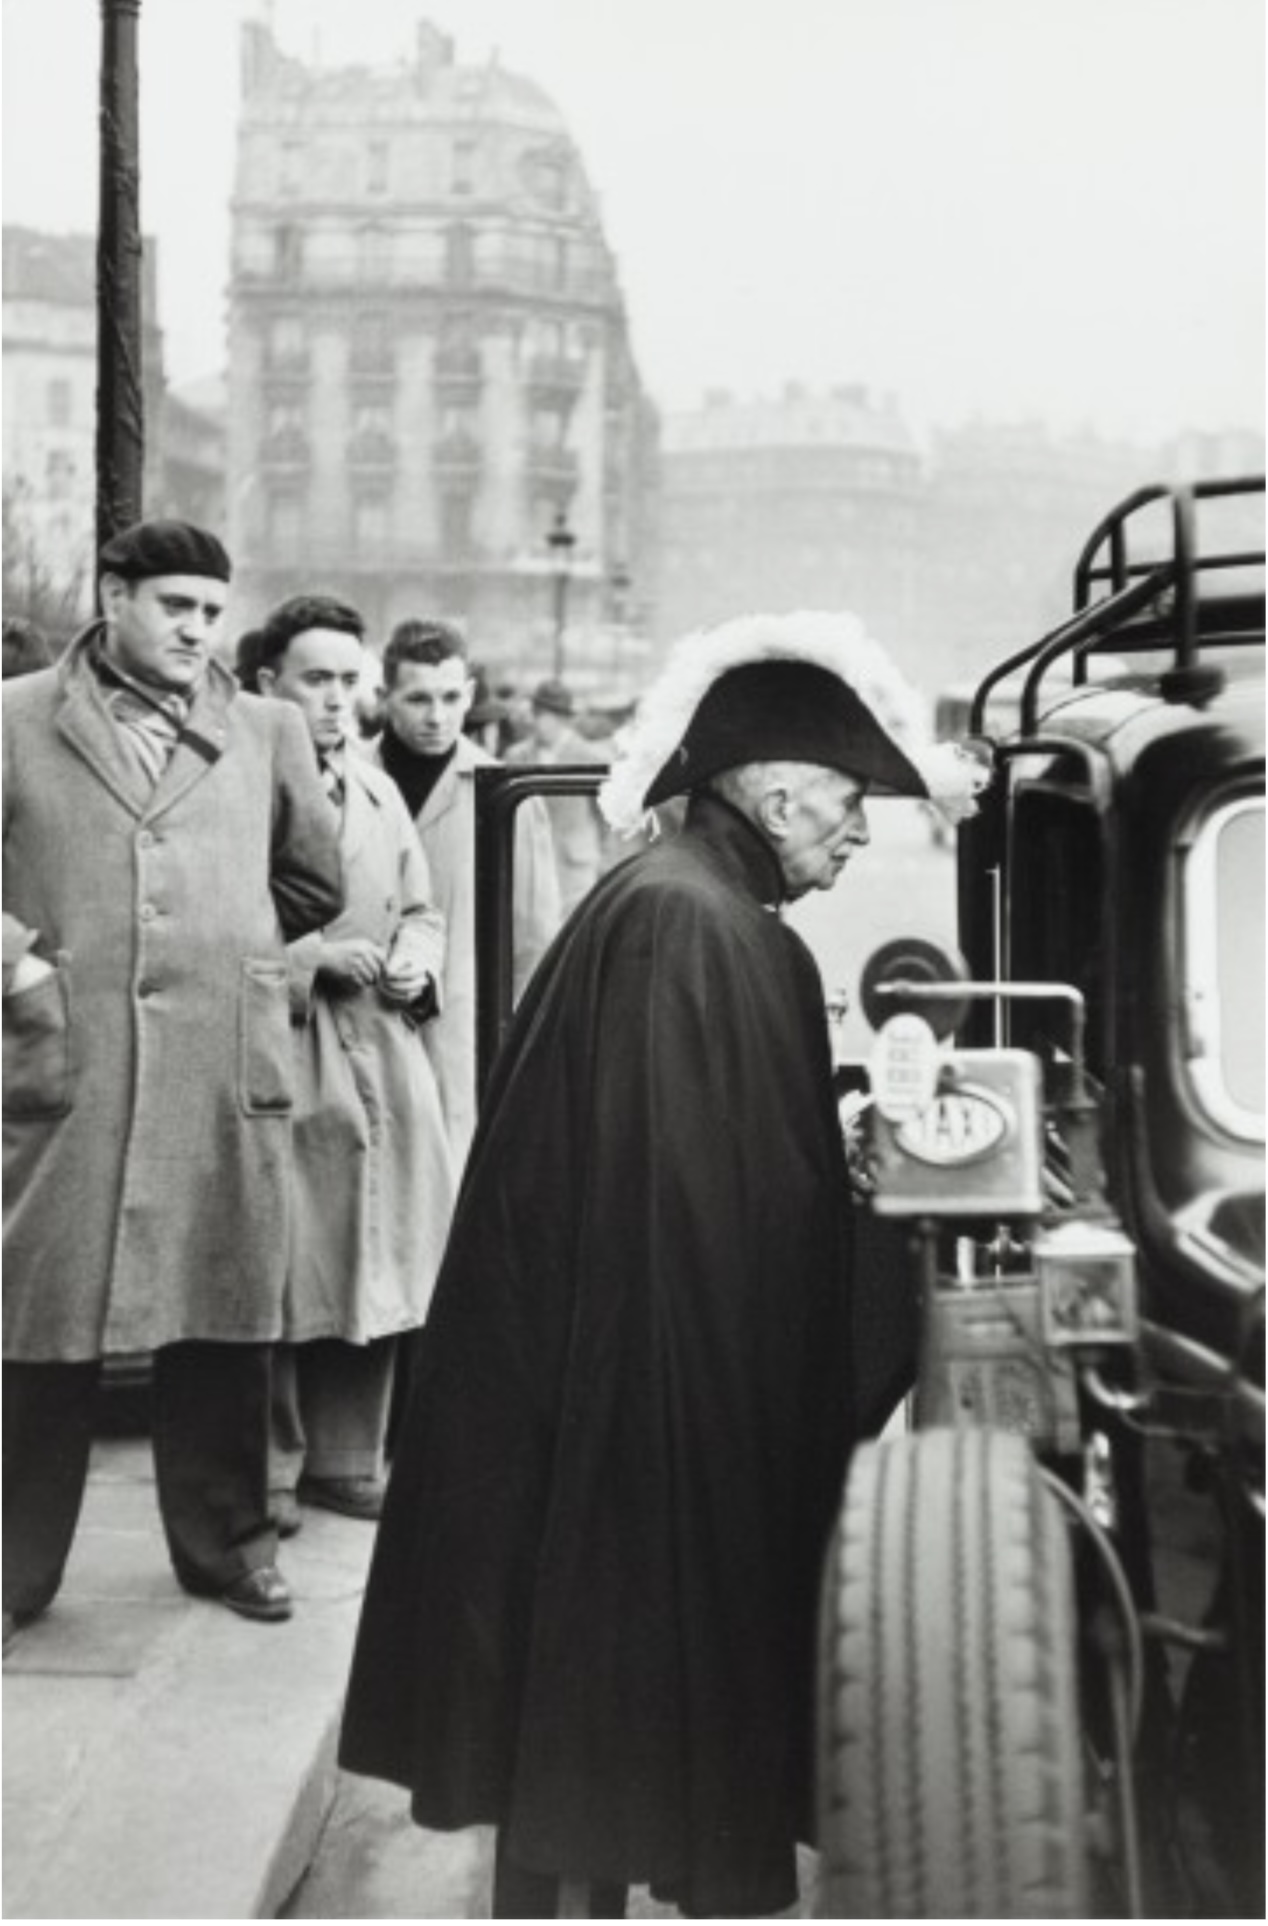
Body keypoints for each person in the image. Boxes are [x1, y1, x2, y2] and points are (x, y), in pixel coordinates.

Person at [338, 611, 987, 1915]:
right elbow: (705, 1211)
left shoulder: (679, 902)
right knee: (611, 1739)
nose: (861, 834)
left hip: (605, 1403)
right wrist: (866, 1215)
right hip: (645, 1425)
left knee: (574, 1765)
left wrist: (835, 1146)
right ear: (780, 788)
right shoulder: (699, 925)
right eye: (851, 804)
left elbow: (717, 1169)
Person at [2, 518, 343, 1631]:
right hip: (68, 1053)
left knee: (225, 1307)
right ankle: (14, 1571)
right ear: (114, 596)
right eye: (174, 607)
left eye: (211, 610)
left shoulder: (266, 728)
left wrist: (226, 950)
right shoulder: (15, 720)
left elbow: (310, 884)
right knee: (37, 1317)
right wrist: (21, 973)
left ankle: (230, 1548)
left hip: (215, 1059)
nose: (198, 629)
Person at [254, 594, 456, 1527]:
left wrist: (418, 959)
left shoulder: (374, 789)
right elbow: (210, 928)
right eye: (315, 680)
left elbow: (420, 905)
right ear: (268, 685)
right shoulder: (238, 786)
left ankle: (346, 1457)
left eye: (348, 681)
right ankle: (270, 1467)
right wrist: (309, 961)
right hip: (288, 1050)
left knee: (382, 1246)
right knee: (289, 1262)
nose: (337, 701)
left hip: (382, 1042)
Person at [372, 618, 559, 1168]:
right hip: (355, 1025)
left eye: (451, 698)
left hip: (462, 1037)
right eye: (418, 699)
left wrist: (520, 1053)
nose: (436, 716)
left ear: (470, 696)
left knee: (449, 1186)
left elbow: (533, 939)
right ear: (386, 698)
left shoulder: (505, 793)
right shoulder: (343, 778)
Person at [506, 676, 610, 915]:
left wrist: (604, 860)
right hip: (529, 865)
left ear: (563, 718)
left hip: (575, 867)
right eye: (536, 712)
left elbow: (608, 818)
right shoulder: (516, 755)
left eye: (545, 714)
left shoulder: (591, 757)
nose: (537, 721)